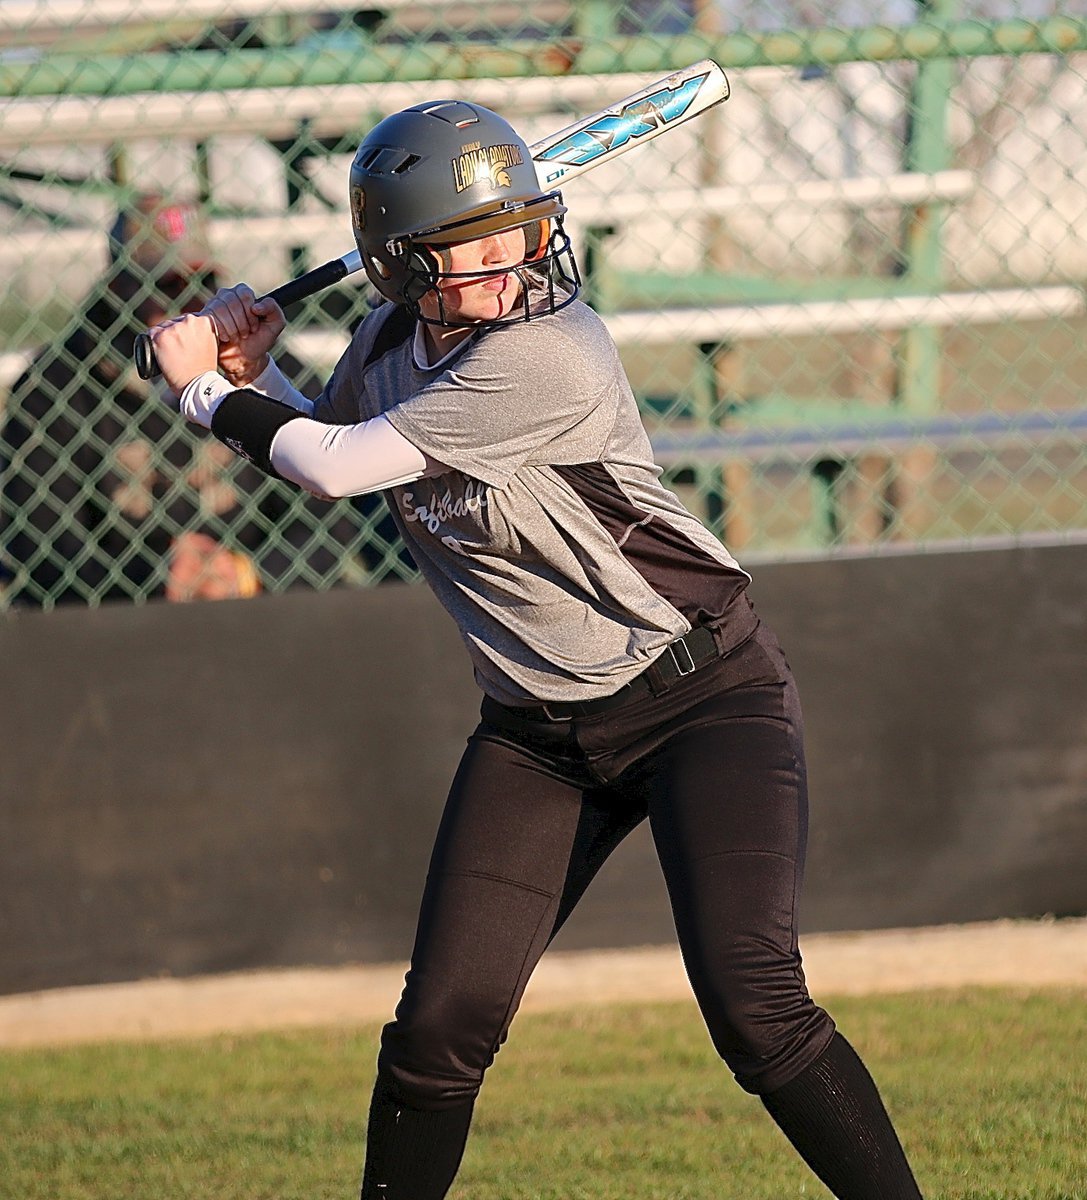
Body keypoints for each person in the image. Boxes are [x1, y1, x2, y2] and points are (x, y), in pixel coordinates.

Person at [147, 100, 925, 1199]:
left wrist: (201, 387)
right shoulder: (384, 344)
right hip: (539, 736)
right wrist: (257, 376)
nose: (509, 260)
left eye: (518, 228)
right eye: (474, 244)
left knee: (754, 1007)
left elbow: (337, 464)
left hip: (700, 696)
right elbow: (325, 441)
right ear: (401, 267)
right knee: (438, 1029)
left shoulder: (550, 354)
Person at [0, 193, 377, 606]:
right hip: (117, 617)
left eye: (202, 284)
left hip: (259, 605)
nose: (188, 303)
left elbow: (329, 519)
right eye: (166, 284)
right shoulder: (58, 386)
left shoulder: (265, 366)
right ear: (119, 288)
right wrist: (153, 577)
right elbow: (38, 536)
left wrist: (244, 573)